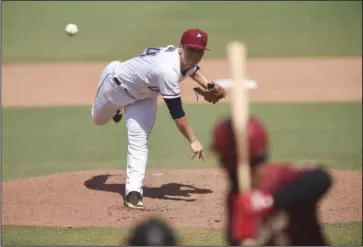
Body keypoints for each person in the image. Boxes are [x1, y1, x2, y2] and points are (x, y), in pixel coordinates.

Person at [91, 28, 226, 209]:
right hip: (115, 86)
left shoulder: (184, 60)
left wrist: (208, 85)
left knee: (138, 141)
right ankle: (115, 104)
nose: (194, 55)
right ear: (181, 48)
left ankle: (133, 192)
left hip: (145, 96)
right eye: (190, 50)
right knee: (99, 120)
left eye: (199, 51)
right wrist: (193, 140)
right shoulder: (167, 70)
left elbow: (192, 69)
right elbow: (177, 113)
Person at [210, 116, 333, 246]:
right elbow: (234, 239)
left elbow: (321, 178)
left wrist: (270, 202)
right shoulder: (236, 197)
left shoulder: (280, 175)